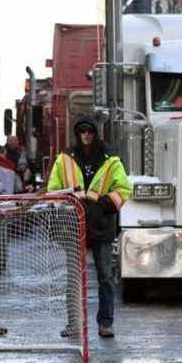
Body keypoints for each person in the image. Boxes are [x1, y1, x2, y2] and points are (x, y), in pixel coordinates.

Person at [47, 116, 132, 338]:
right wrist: (71, 202)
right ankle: (74, 324)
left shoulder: (110, 159)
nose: (86, 135)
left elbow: (124, 189)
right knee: (74, 278)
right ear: (78, 133)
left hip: (101, 226)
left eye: (90, 131)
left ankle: (105, 323)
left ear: (96, 133)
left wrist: (102, 204)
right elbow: (53, 189)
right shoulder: (64, 159)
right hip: (74, 226)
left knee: (105, 276)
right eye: (82, 131)